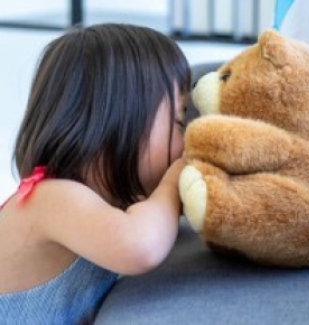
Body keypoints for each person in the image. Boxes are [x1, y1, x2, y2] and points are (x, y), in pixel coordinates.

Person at [0, 23, 190, 324]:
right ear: (124, 118)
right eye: (179, 122)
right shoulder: (51, 198)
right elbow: (140, 246)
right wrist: (175, 180)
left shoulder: (106, 208)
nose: (186, 140)